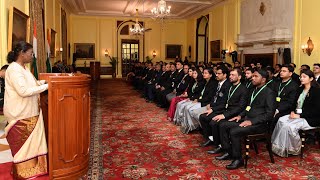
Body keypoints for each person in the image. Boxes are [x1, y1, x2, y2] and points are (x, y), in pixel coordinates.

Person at [4, 41, 49, 179]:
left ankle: (34, 169)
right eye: (30, 53)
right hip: (21, 113)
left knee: (32, 145)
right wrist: (47, 87)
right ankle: (23, 171)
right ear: (22, 54)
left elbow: (33, 84)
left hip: (30, 111)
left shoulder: (23, 68)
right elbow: (23, 91)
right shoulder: (14, 69)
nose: (32, 56)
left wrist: (45, 83)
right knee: (23, 147)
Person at [217, 69, 275, 169]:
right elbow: (248, 107)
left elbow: (269, 114)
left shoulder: (269, 93)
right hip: (247, 119)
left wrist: (251, 121)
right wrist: (240, 116)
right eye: (253, 76)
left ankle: (238, 159)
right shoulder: (253, 90)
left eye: (256, 76)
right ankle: (228, 151)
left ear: (263, 79)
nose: (253, 78)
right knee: (223, 125)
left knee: (234, 131)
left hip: (259, 125)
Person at [272, 69, 320, 157]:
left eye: (304, 77)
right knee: (281, 120)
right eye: (301, 77)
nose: (301, 78)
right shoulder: (300, 89)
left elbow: (316, 110)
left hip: (311, 118)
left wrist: (299, 115)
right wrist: (293, 113)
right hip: (298, 114)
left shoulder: (316, 91)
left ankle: (293, 149)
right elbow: (295, 104)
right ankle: (279, 146)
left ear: (311, 78)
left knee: (289, 126)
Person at [271, 65, 299, 130]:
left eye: (284, 71)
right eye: (281, 71)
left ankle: (271, 136)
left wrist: (278, 110)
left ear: (290, 73)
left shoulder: (294, 86)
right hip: (274, 106)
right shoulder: (277, 83)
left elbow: (290, 102)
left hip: (285, 110)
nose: (281, 72)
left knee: (275, 117)